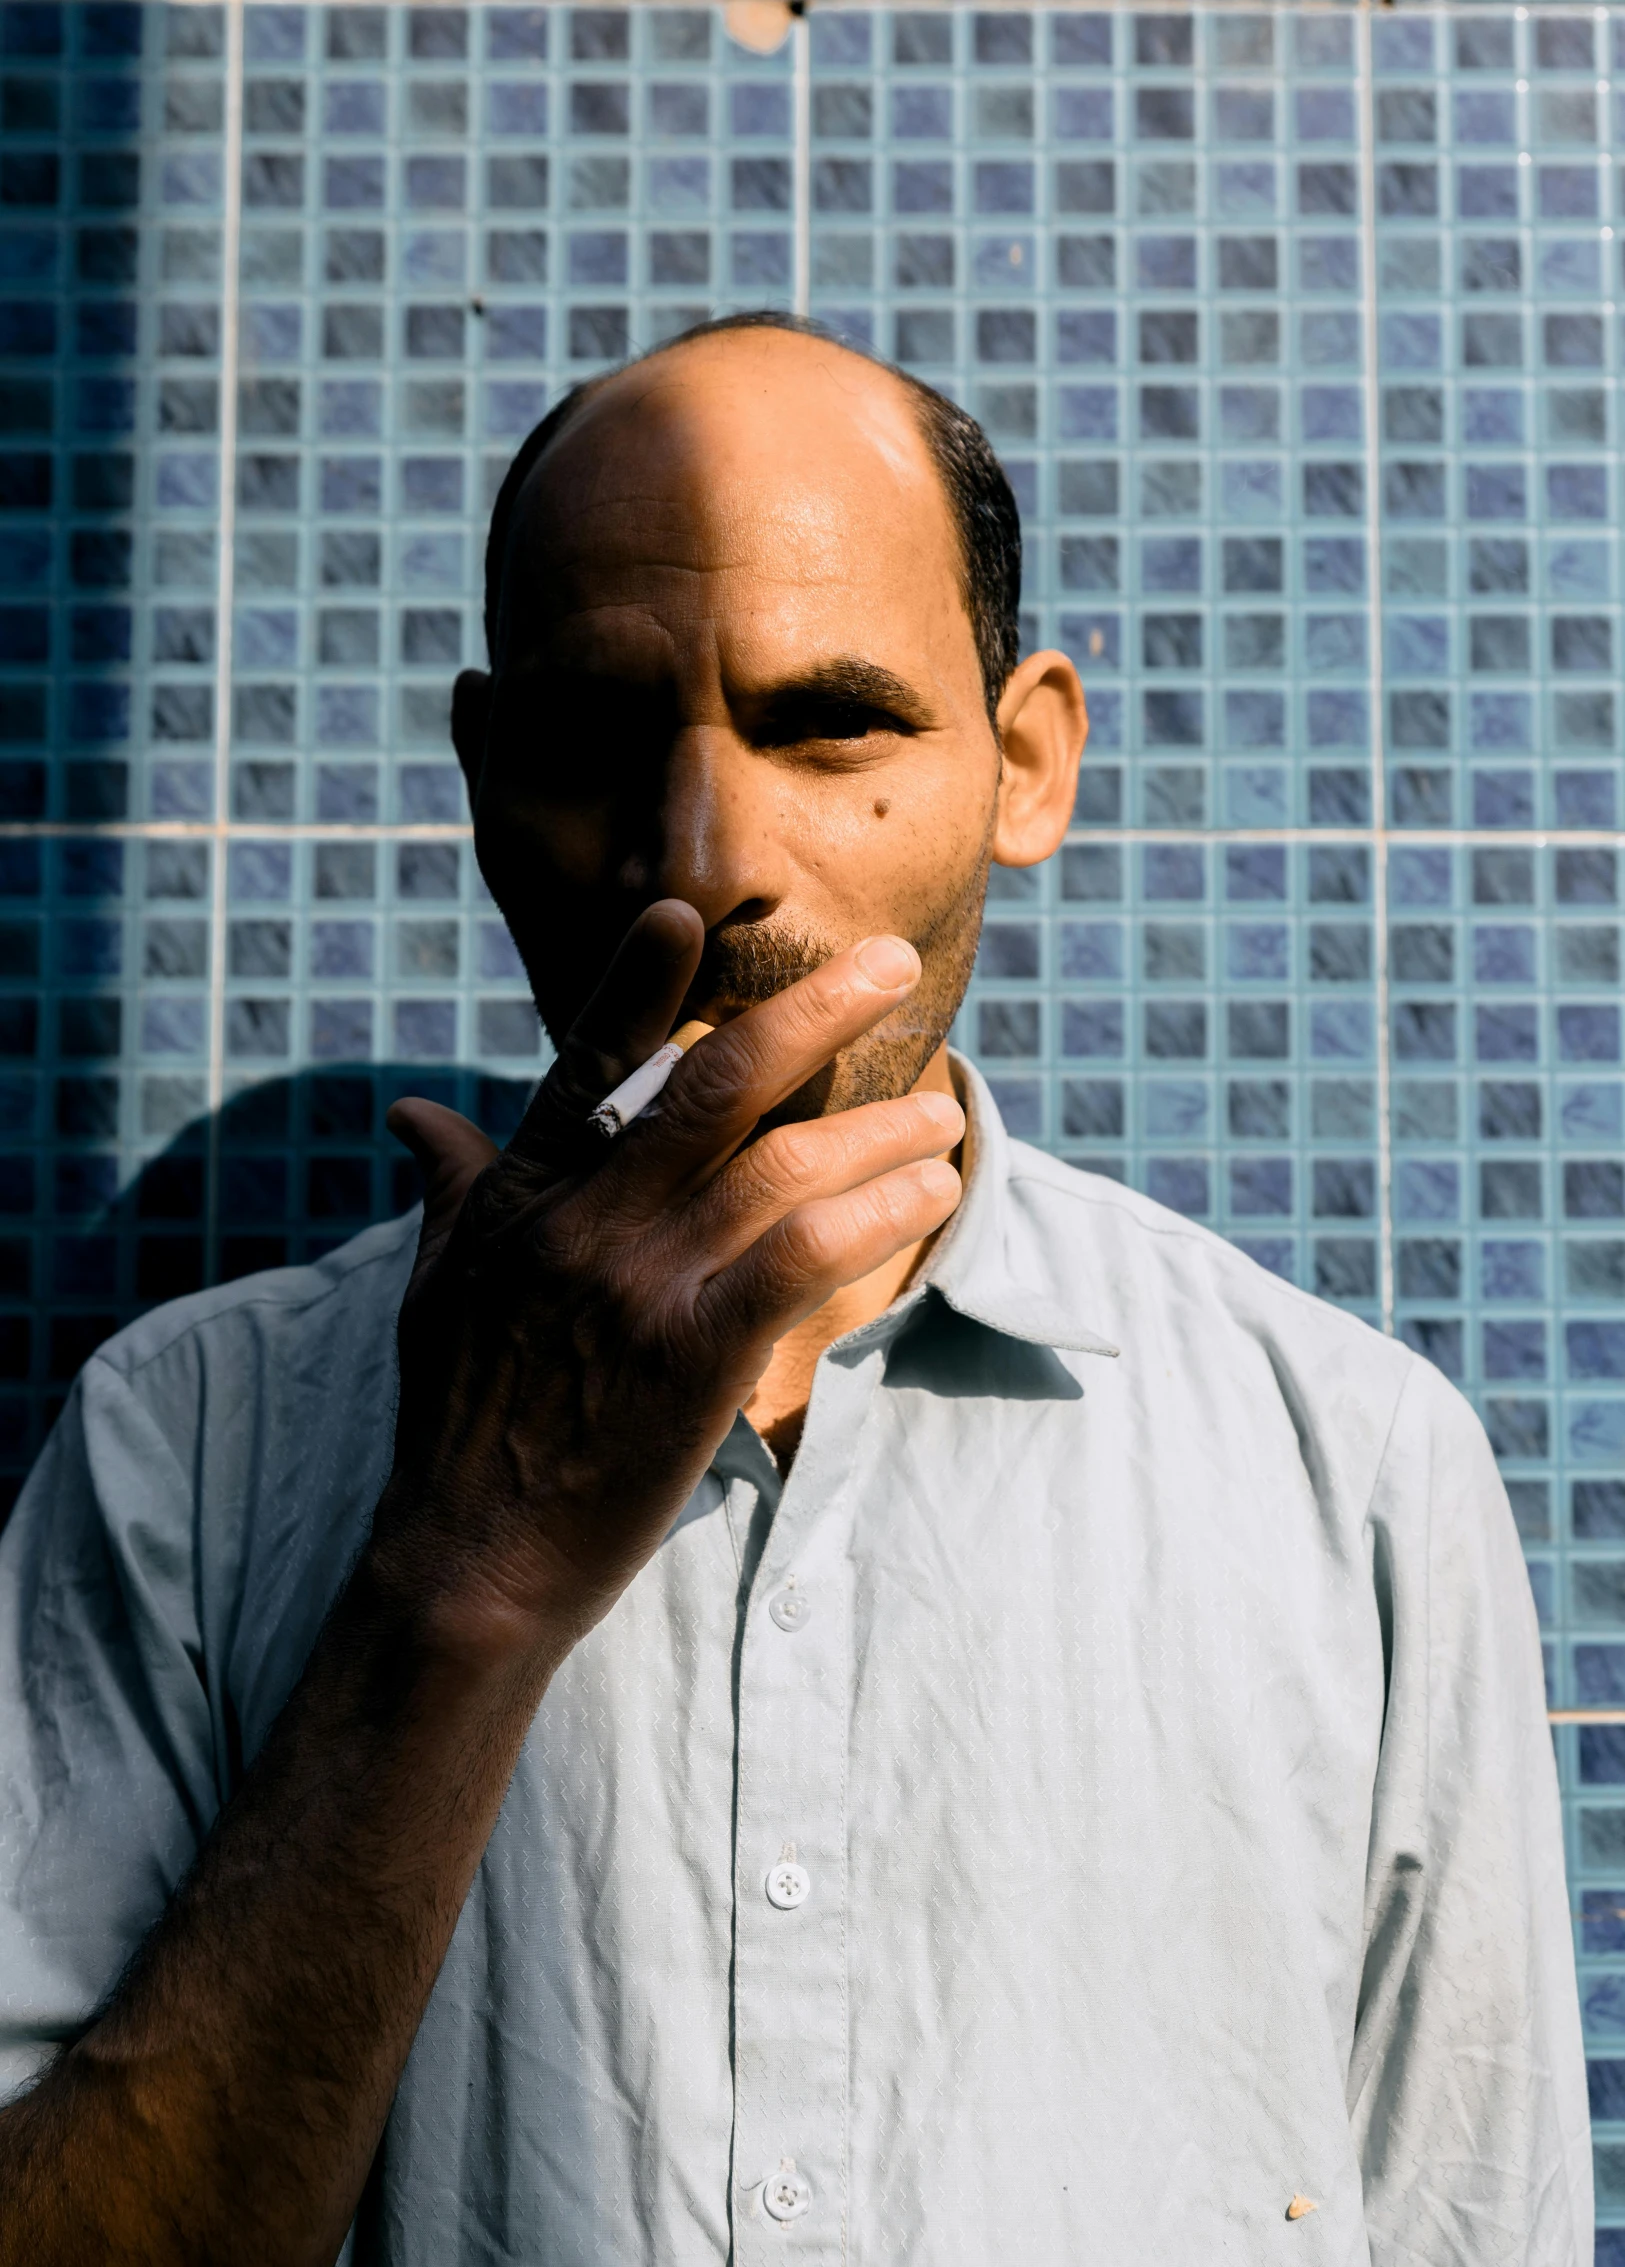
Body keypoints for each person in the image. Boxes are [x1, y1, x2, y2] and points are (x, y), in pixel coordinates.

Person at [0, 316, 1589, 2266]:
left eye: (830, 721)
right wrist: (451, 1587)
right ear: (489, 785)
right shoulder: (193, 1446)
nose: (710, 855)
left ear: (1021, 760)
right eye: (598, 738)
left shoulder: (1347, 1475)